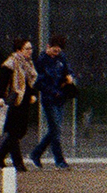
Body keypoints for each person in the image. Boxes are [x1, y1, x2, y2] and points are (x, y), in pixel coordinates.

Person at [0, 39, 40, 171]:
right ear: (19, 50)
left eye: (31, 48)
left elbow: (31, 81)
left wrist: (33, 94)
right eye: (27, 49)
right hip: (14, 101)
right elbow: (2, 83)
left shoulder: (28, 64)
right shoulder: (10, 64)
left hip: (24, 101)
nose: (30, 51)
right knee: (14, 132)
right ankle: (18, 164)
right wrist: (0, 98)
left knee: (20, 131)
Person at [30, 35, 75, 169]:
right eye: (54, 51)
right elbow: (38, 82)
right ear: (48, 47)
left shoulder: (61, 58)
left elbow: (68, 70)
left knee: (55, 130)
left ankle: (36, 153)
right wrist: (52, 91)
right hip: (49, 99)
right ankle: (59, 160)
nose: (57, 53)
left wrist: (69, 77)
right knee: (55, 129)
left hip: (60, 98)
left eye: (59, 51)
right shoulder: (41, 61)